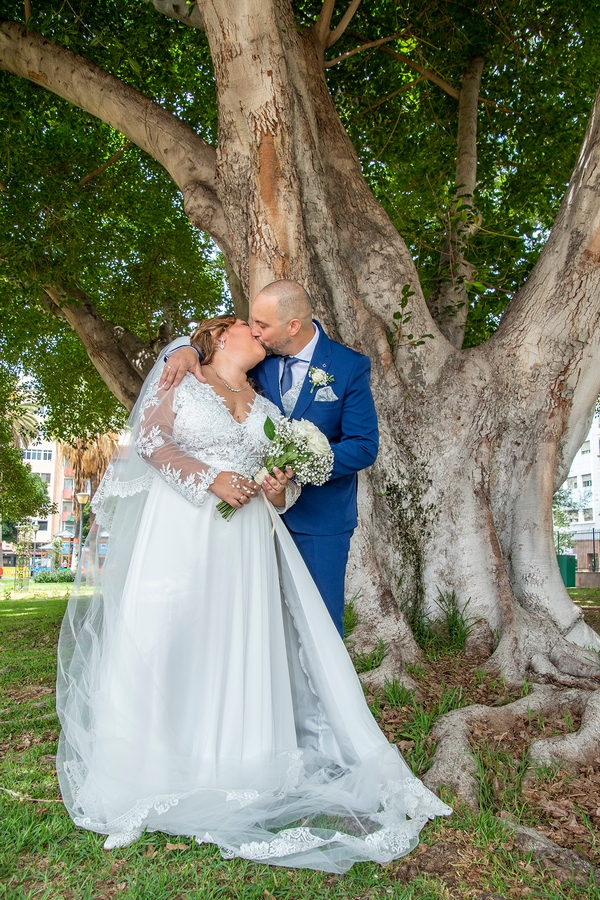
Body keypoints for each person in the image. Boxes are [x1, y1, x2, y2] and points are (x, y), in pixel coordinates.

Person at [56, 315, 450, 872]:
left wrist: (278, 486)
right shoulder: (183, 379)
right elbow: (149, 440)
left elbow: (278, 490)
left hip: (244, 543)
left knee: (234, 643)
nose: (257, 335)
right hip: (184, 530)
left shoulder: (268, 407)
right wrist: (206, 476)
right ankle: (156, 760)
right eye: (245, 325)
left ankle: (236, 757)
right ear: (218, 337)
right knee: (171, 634)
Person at [161, 280, 378, 637]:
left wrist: (304, 461)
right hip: (251, 521)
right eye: (252, 324)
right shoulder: (261, 358)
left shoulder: (348, 365)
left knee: (318, 626)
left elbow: (364, 444)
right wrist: (187, 350)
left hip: (318, 520)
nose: (255, 332)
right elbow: (219, 353)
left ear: (292, 326)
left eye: (262, 325)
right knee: (255, 626)